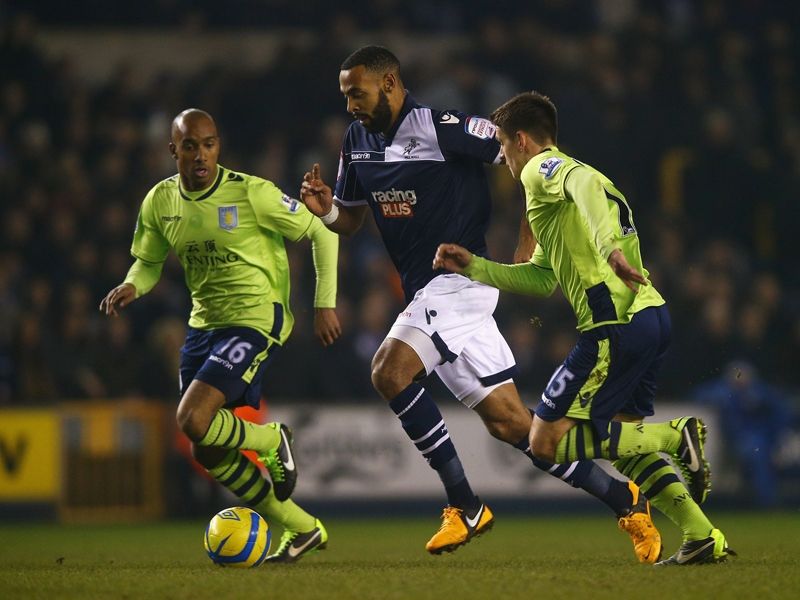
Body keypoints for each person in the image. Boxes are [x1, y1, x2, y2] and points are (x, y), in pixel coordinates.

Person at [300, 45, 661, 562]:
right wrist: (326, 210)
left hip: (460, 281)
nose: (351, 104)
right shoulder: (356, 142)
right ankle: (626, 499)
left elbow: (533, 157)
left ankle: (465, 506)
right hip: (426, 293)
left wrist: (528, 241)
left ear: (390, 82)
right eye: (345, 95)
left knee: (388, 370)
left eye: (357, 92)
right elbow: (351, 219)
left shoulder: (443, 126)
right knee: (518, 428)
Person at [433, 91, 736, 565]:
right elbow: (540, 278)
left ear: (523, 140)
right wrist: (475, 268)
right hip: (649, 316)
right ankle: (701, 536)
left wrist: (609, 246)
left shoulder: (544, 169)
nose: (503, 160)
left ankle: (676, 436)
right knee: (623, 444)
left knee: (543, 441)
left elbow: (584, 189)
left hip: (613, 326)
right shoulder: (553, 195)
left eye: (504, 148)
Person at [100, 108, 340, 564]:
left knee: (191, 418)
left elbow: (322, 234)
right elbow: (149, 261)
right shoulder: (159, 201)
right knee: (206, 449)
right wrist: (133, 283)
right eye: (189, 146)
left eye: (208, 144)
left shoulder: (251, 193)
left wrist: (323, 303)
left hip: (255, 317)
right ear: (173, 150)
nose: (200, 154)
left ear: (218, 147)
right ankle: (301, 527)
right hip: (202, 326)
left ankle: (272, 441)